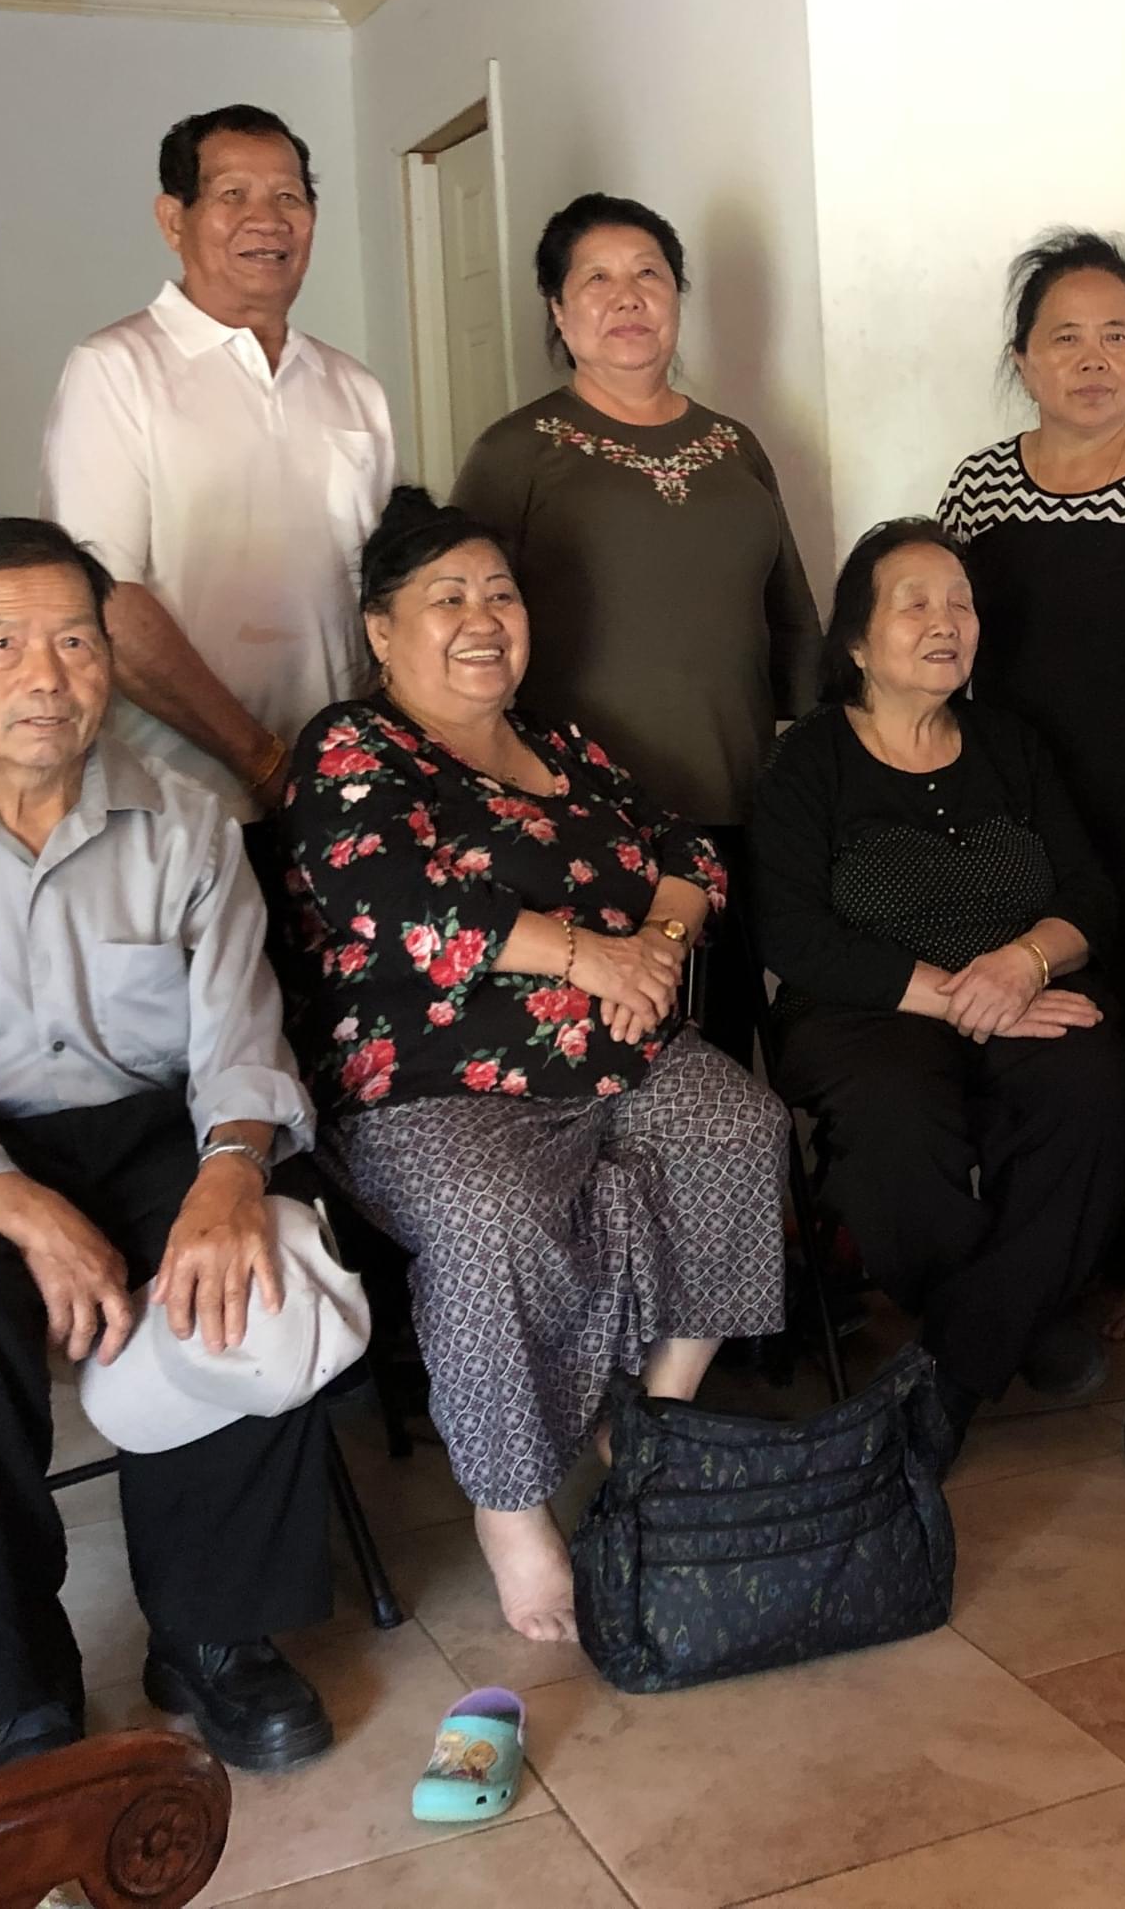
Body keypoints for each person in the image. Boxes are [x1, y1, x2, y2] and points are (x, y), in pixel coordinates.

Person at [0, 518, 336, 1775]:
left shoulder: (188, 825)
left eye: (77, 643)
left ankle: (213, 1635)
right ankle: (15, 1689)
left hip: (144, 1131)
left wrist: (230, 1170)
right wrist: (30, 1213)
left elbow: (240, 1038)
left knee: (249, 1262)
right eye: (3, 645)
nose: (46, 676)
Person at [282, 486, 787, 1645]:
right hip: (436, 1083)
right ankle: (511, 1510)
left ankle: (650, 1425)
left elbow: (688, 853)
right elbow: (385, 897)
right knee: (488, 1214)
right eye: (446, 598)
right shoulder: (355, 745)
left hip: (622, 1054)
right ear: (380, 630)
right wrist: (586, 955)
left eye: (501, 596)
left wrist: (655, 948)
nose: (482, 619)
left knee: (740, 1129)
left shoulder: (564, 747)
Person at [751, 518, 1125, 1446]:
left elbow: (1089, 894)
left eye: (961, 603)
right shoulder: (808, 761)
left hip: (1021, 987)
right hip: (864, 1008)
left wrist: (1022, 963)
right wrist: (958, 995)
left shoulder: (1012, 745)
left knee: (1090, 1081)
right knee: (894, 1116)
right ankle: (1020, 1318)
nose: (945, 621)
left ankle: (957, 1364)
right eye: (914, 603)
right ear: (855, 641)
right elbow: (792, 933)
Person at [939, 230, 1125, 1332]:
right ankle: (1063, 1275)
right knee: (1059, 1051)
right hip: (1019, 833)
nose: (1094, 359)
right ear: (1023, 358)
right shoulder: (979, 487)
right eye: (1066, 337)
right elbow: (944, 649)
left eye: (1118, 335)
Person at [450, 194, 821, 1065]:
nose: (627, 297)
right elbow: (461, 632)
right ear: (557, 309)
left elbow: (792, 621)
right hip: (583, 824)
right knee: (612, 1059)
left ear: (677, 296)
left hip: (732, 803)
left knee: (722, 1051)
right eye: (597, 279)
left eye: (649, 274)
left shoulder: (734, 446)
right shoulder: (516, 452)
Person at [39, 104, 398, 832]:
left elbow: (389, 589)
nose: (267, 220)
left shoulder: (353, 387)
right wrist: (264, 763)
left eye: (289, 196)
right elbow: (106, 601)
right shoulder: (116, 369)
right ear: (174, 220)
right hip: (181, 808)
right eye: (233, 194)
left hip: (345, 796)